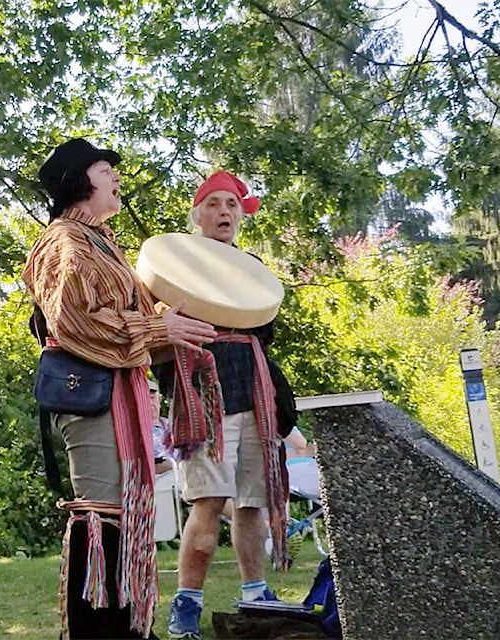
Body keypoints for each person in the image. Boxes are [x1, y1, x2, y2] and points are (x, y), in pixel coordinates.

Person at [23, 138, 216, 639]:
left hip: (117, 388)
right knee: (103, 511)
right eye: (106, 169)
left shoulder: (102, 242)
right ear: (80, 181)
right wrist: (159, 330)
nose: (116, 177)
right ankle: (97, 630)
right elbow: (74, 320)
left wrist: (168, 321)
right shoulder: (64, 241)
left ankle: (128, 625)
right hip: (89, 390)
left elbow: (131, 314)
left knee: (123, 510)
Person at [164, 171, 289, 640]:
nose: (224, 213)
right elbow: (162, 330)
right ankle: (187, 604)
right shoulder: (176, 268)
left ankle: (254, 592)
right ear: (198, 215)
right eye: (214, 204)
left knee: (252, 502)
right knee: (208, 502)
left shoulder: (253, 268)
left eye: (232, 206)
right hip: (203, 396)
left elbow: (265, 333)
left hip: (254, 394)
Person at [150, 377, 175, 475]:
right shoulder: (135, 432)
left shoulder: (173, 425)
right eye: (144, 399)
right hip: (161, 482)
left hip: (184, 477)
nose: (150, 403)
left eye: (152, 398)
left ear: (159, 399)